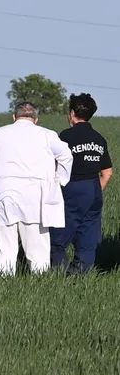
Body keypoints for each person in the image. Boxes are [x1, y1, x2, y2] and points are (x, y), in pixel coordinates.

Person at [0, 102, 73, 275]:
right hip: (36, 195)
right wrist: (59, 181)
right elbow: (66, 156)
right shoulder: (48, 135)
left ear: (14, 117)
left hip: (3, 193)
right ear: (36, 119)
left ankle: (3, 284)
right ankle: (41, 283)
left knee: (4, 248)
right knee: (37, 247)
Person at [51, 93, 112, 273]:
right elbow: (107, 173)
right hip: (94, 189)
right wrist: (94, 191)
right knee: (88, 239)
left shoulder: (65, 136)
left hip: (72, 188)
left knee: (58, 239)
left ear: (71, 113)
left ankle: (59, 276)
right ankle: (81, 276)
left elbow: (54, 165)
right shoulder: (99, 138)